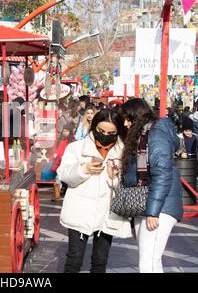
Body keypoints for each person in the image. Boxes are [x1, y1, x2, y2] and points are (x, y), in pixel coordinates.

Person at [57, 109, 131, 273]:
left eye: (111, 132)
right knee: (74, 261)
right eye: (101, 131)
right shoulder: (76, 148)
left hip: (107, 212)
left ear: (118, 131)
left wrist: (114, 178)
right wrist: (83, 169)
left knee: (100, 261)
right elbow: (64, 175)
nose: (105, 135)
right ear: (93, 127)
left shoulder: (123, 152)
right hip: (79, 211)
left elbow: (127, 185)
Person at [121, 98, 183, 273]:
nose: (125, 124)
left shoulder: (156, 134)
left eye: (128, 119)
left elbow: (162, 175)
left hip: (160, 205)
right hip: (146, 202)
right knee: (151, 259)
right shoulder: (141, 135)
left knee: (148, 261)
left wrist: (153, 212)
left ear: (137, 117)